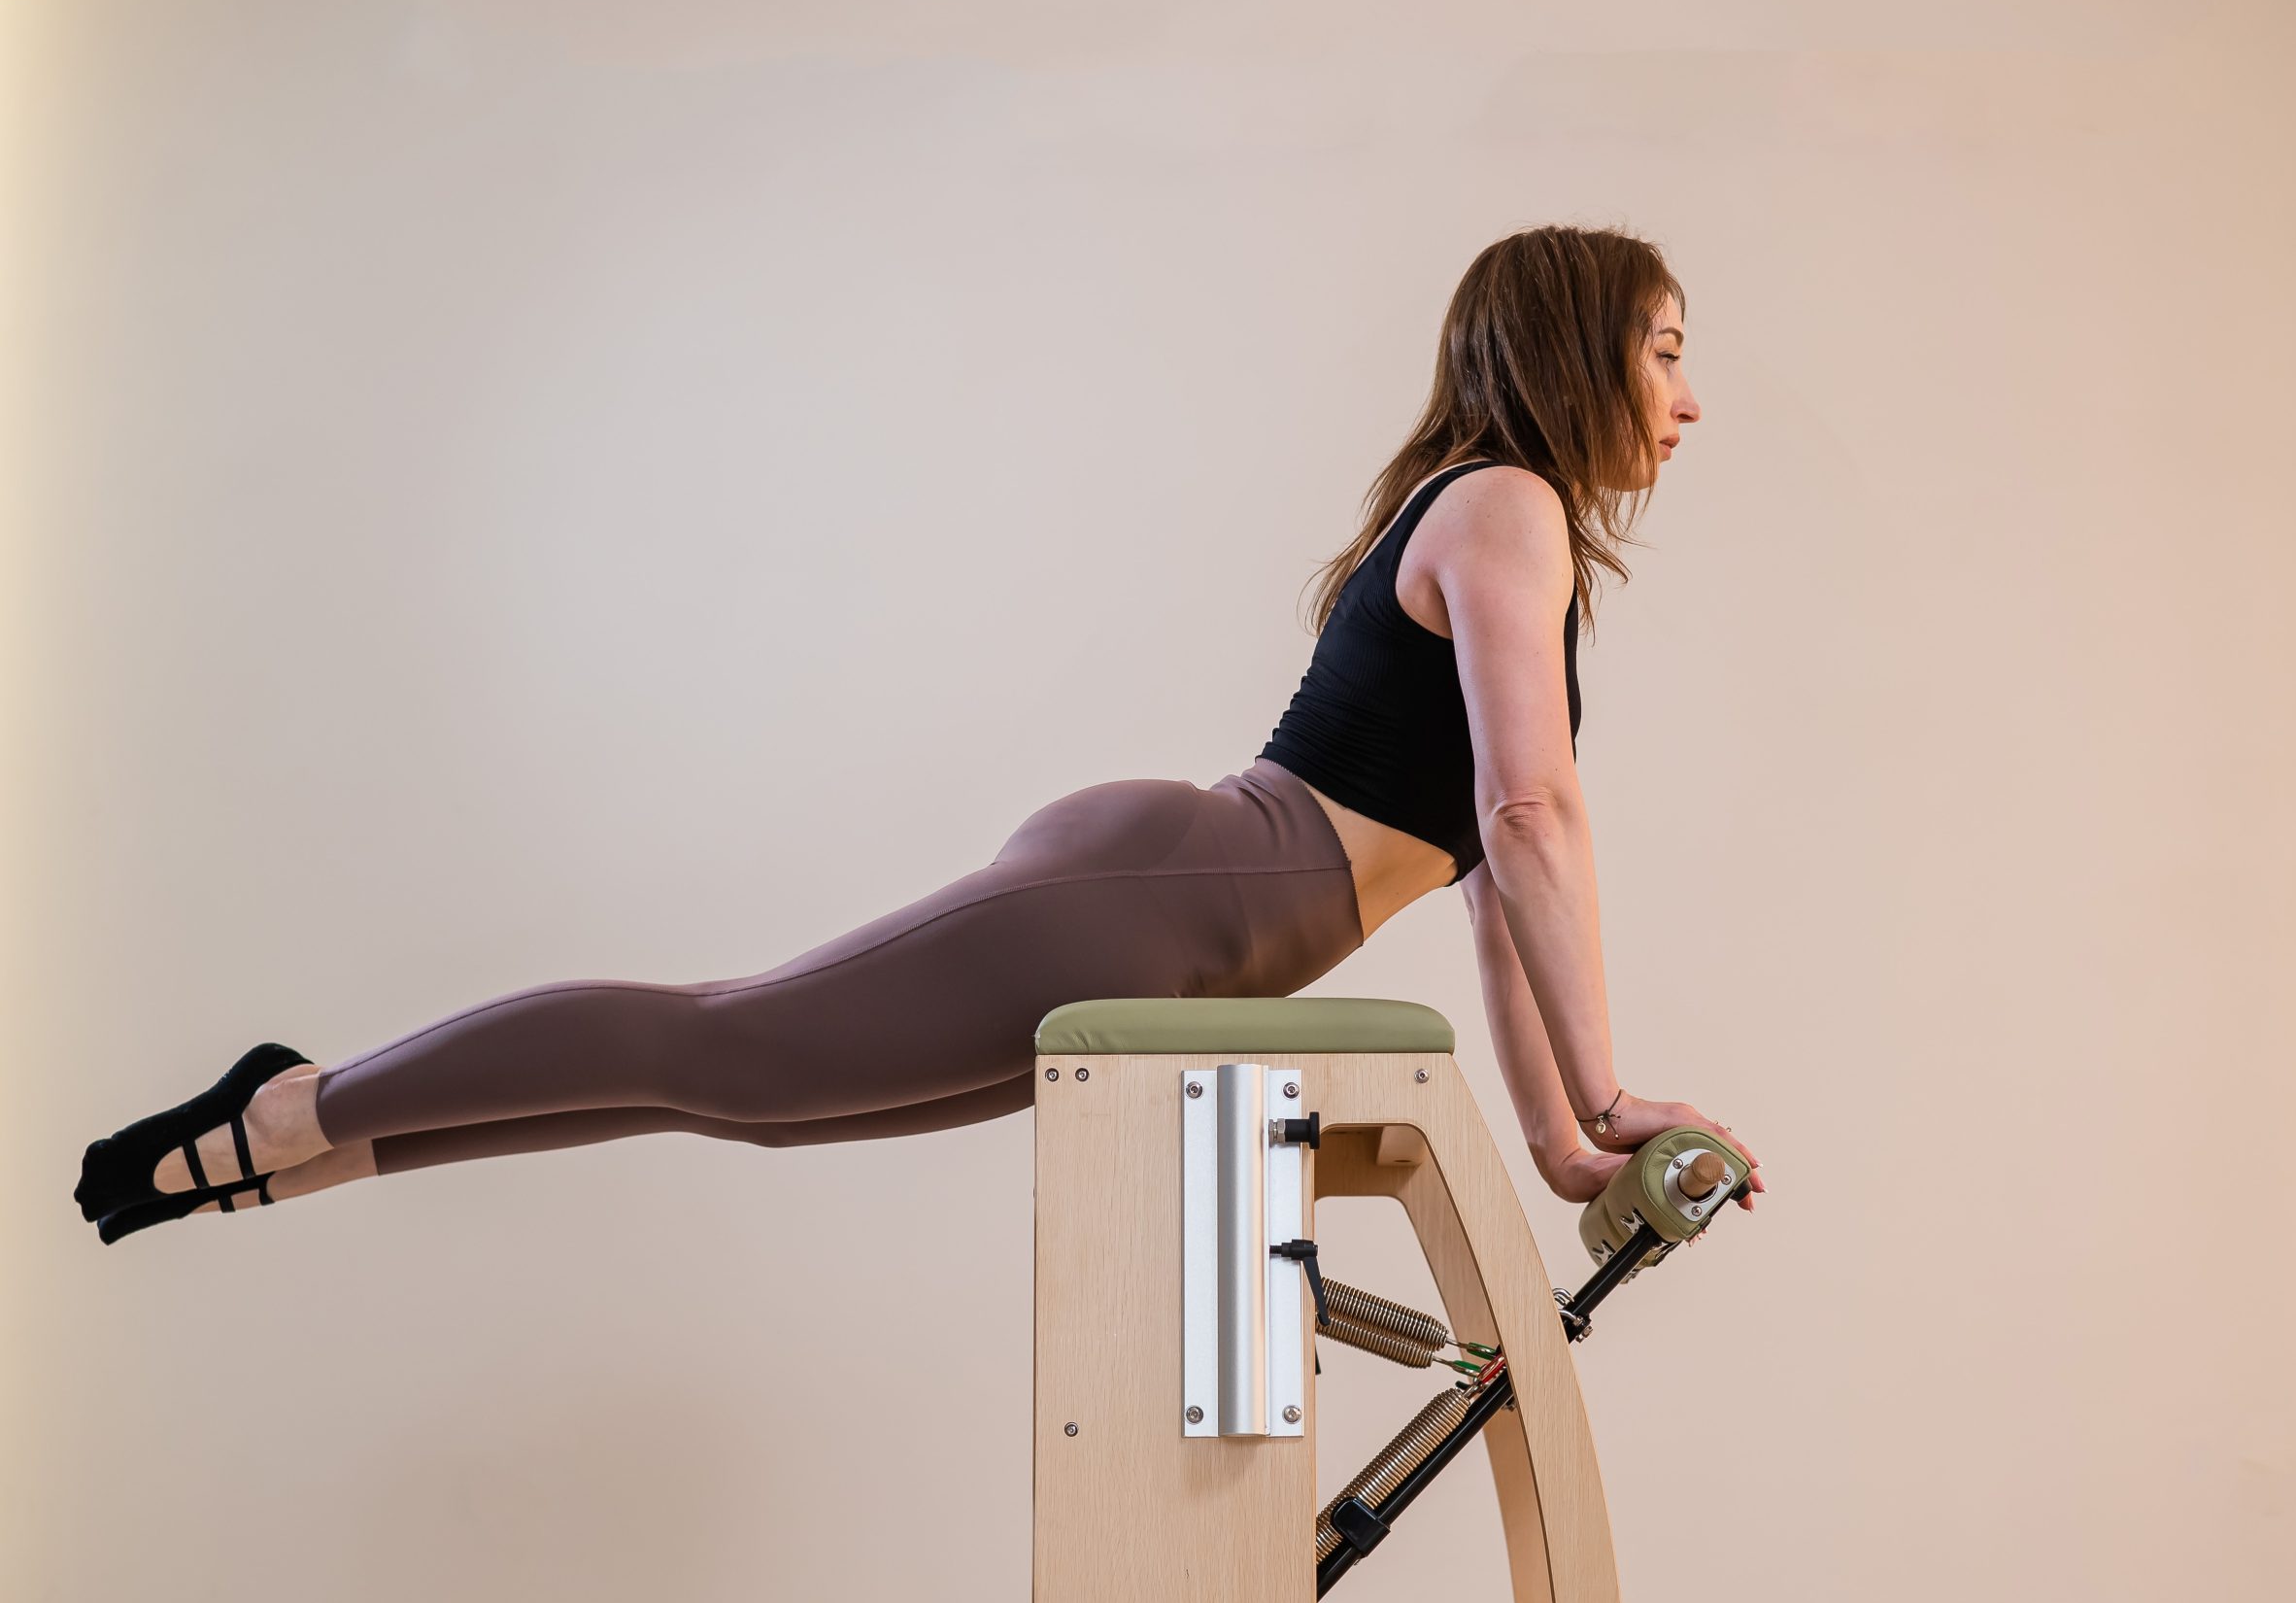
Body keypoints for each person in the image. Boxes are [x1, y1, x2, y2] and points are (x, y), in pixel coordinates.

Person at [73, 222, 1763, 1244]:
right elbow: (1533, 817)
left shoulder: (1498, 527)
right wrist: (1611, 1085)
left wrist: (1562, 1137)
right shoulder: (1507, 505)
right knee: (726, 1040)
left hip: (1188, 926)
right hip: (1162, 894)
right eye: (1667, 353)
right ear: (1570, 351)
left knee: (749, 1099)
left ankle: (285, 1165)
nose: (1689, 401)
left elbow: (1481, 877)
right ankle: (296, 1104)